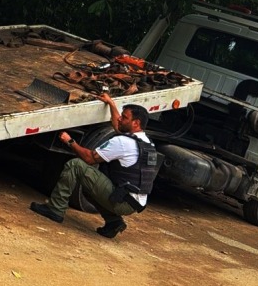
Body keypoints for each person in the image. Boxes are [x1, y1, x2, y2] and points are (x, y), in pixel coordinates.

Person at [28, 93, 161, 238]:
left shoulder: (124, 142)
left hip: (122, 201)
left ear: (136, 123)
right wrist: (111, 103)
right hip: (134, 202)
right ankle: (113, 222)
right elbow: (117, 125)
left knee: (76, 165)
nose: (120, 119)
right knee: (88, 185)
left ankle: (55, 209)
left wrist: (70, 141)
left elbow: (90, 158)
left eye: (124, 117)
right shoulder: (145, 142)